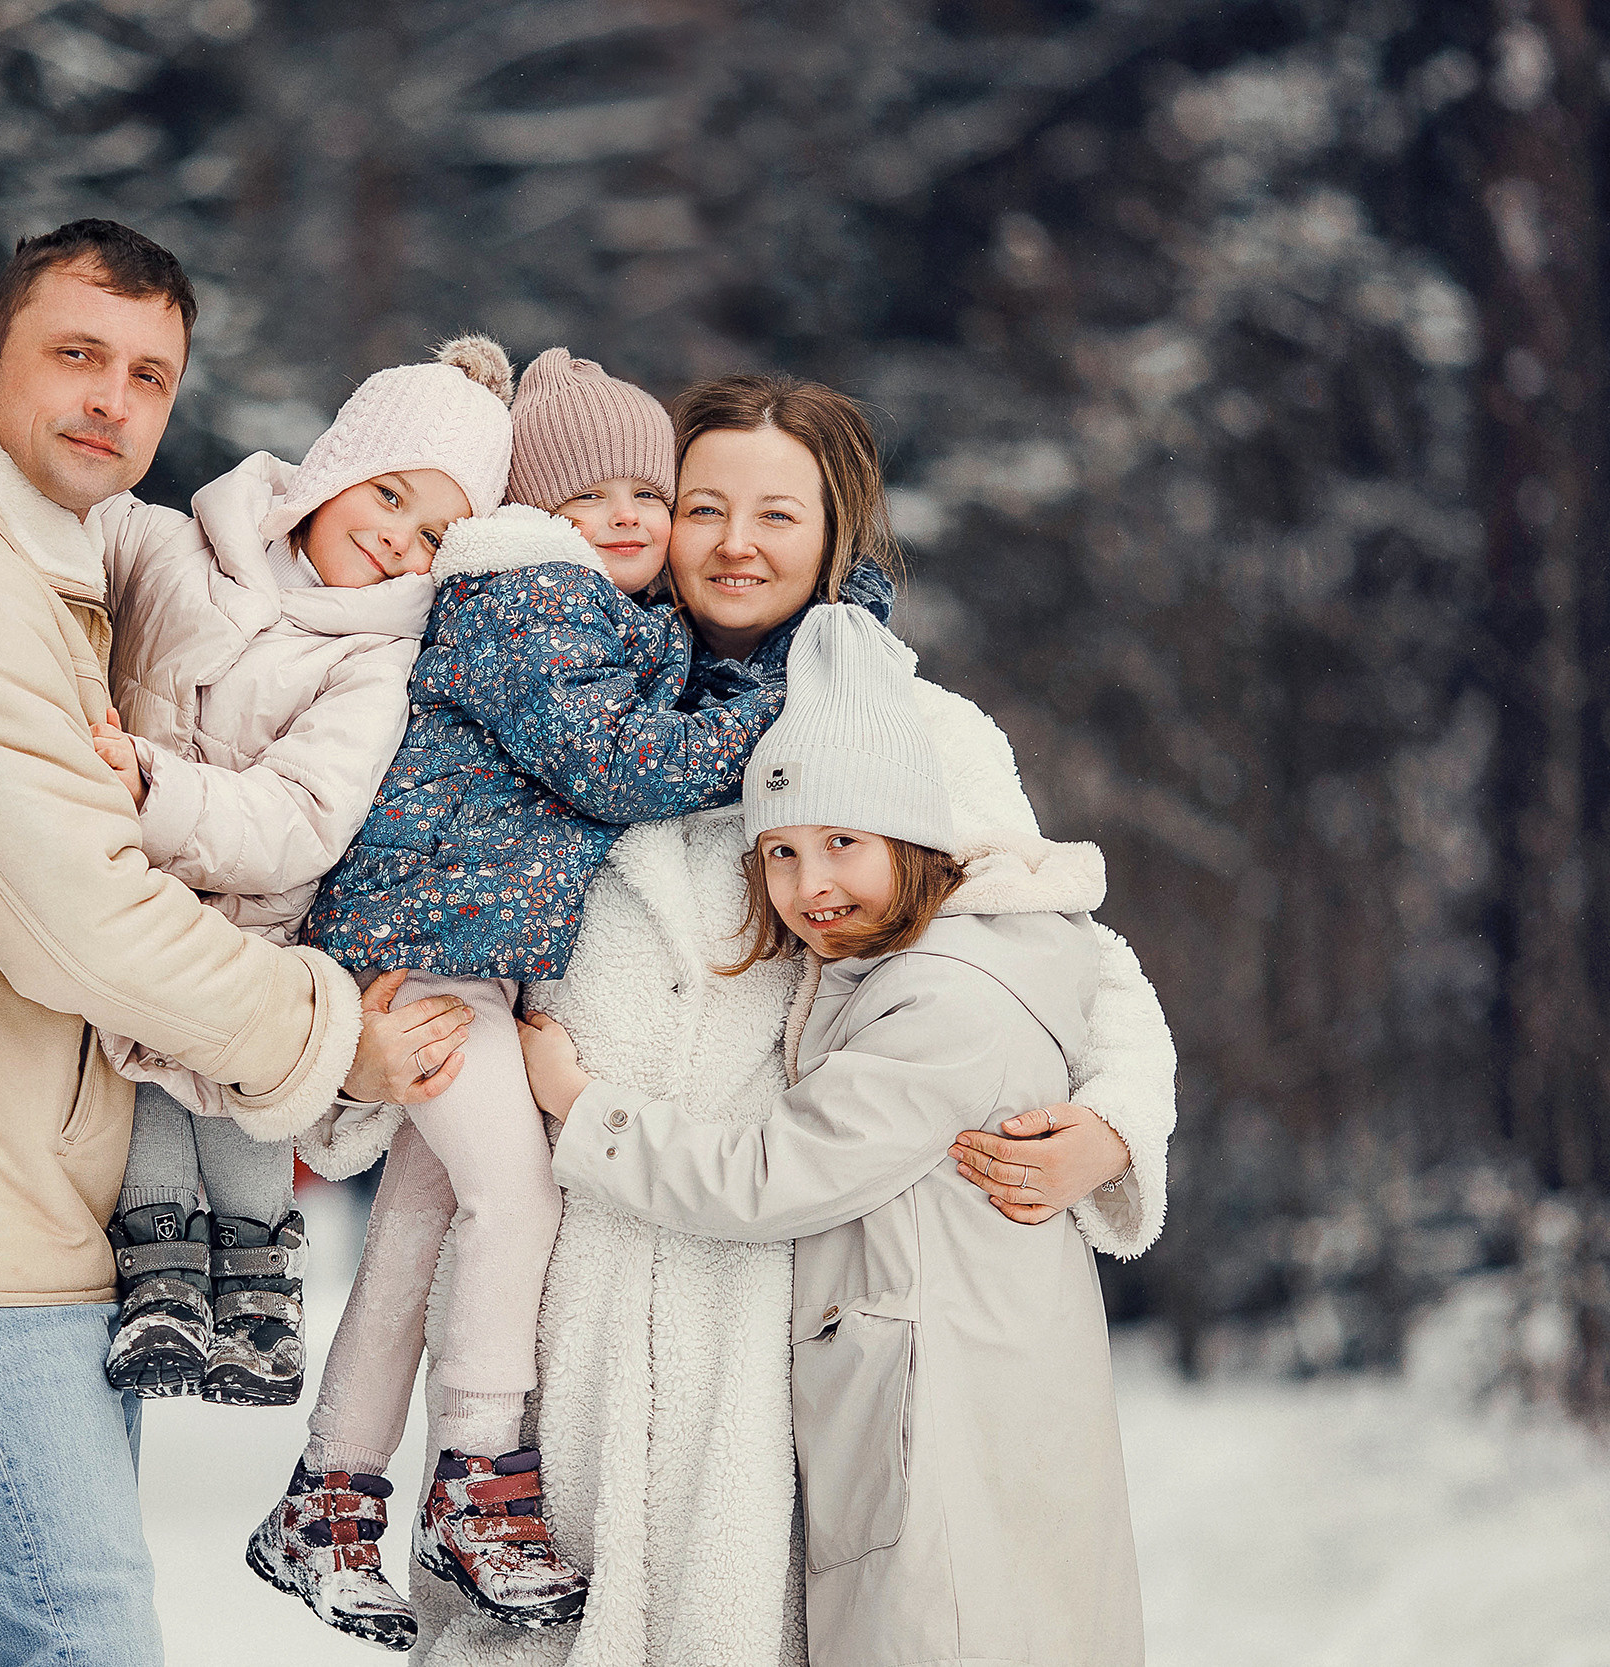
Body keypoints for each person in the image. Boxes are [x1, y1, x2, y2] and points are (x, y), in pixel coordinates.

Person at [301, 371, 1175, 1665]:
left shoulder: (911, 734)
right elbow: (392, 923)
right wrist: (354, 1057)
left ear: (839, 531)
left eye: (778, 512)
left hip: (769, 1319)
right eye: (700, 504)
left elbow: (1073, 951)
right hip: (554, 1310)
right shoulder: (541, 702)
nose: (733, 542)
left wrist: (1117, 1118)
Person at [0, 218, 471, 1667]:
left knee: (0, 1632)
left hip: (28, 1200)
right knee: (82, 1635)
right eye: (75, 354)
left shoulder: (47, 543)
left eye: (148, 374)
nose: (110, 399)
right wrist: (335, 1035)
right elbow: (86, 927)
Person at [254, 350, 828, 1647]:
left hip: (464, 947)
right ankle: (476, 1475)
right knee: (515, 1195)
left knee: (417, 1226)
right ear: (533, 507)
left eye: (649, 489)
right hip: (429, 947)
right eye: (594, 494)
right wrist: (786, 682)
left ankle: (331, 1490)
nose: (630, 515)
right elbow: (627, 762)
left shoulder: (583, 605)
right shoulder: (525, 598)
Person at [0, 334, 517, 1410]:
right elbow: (36, 501)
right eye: (388, 494)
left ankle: (258, 1285)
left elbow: (304, 815)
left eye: (437, 531)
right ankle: (161, 1272)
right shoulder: (166, 546)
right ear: (333, 467)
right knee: (145, 1089)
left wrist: (154, 788)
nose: (400, 538)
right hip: (129, 908)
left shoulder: (377, 659)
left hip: (255, 924)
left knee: (243, 1091)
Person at [519, 601, 1145, 1666]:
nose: (810, 885)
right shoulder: (942, 957)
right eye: (780, 853)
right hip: (961, 1401)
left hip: (945, 1425)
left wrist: (583, 1109)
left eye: (843, 843)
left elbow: (772, 1173)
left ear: (912, 836)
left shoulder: (947, 1002)